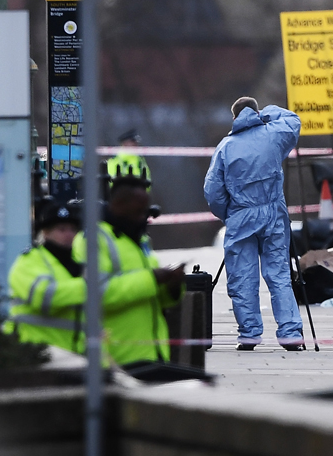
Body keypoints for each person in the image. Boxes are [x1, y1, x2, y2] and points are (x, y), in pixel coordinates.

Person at [204, 96, 305, 351]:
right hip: (273, 213)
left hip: (241, 215)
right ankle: (291, 333)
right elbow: (293, 120)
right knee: (279, 274)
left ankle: (249, 334)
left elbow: (212, 191)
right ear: (257, 113)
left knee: (242, 276)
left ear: (234, 118)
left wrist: (230, 214)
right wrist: (265, 113)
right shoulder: (273, 134)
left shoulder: (226, 147)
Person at [73, 175, 185, 366]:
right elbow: (97, 294)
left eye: (145, 212)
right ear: (117, 205)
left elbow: (150, 298)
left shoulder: (138, 241)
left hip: (151, 356)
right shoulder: (94, 240)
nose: (143, 218)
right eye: (138, 211)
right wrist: (153, 278)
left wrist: (172, 287)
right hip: (113, 360)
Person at [4, 198, 86, 351]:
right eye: (61, 229)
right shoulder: (29, 261)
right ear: (46, 233)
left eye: (73, 230)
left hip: (71, 353)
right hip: (33, 352)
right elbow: (44, 297)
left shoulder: (77, 263)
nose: (69, 234)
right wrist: (90, 286)